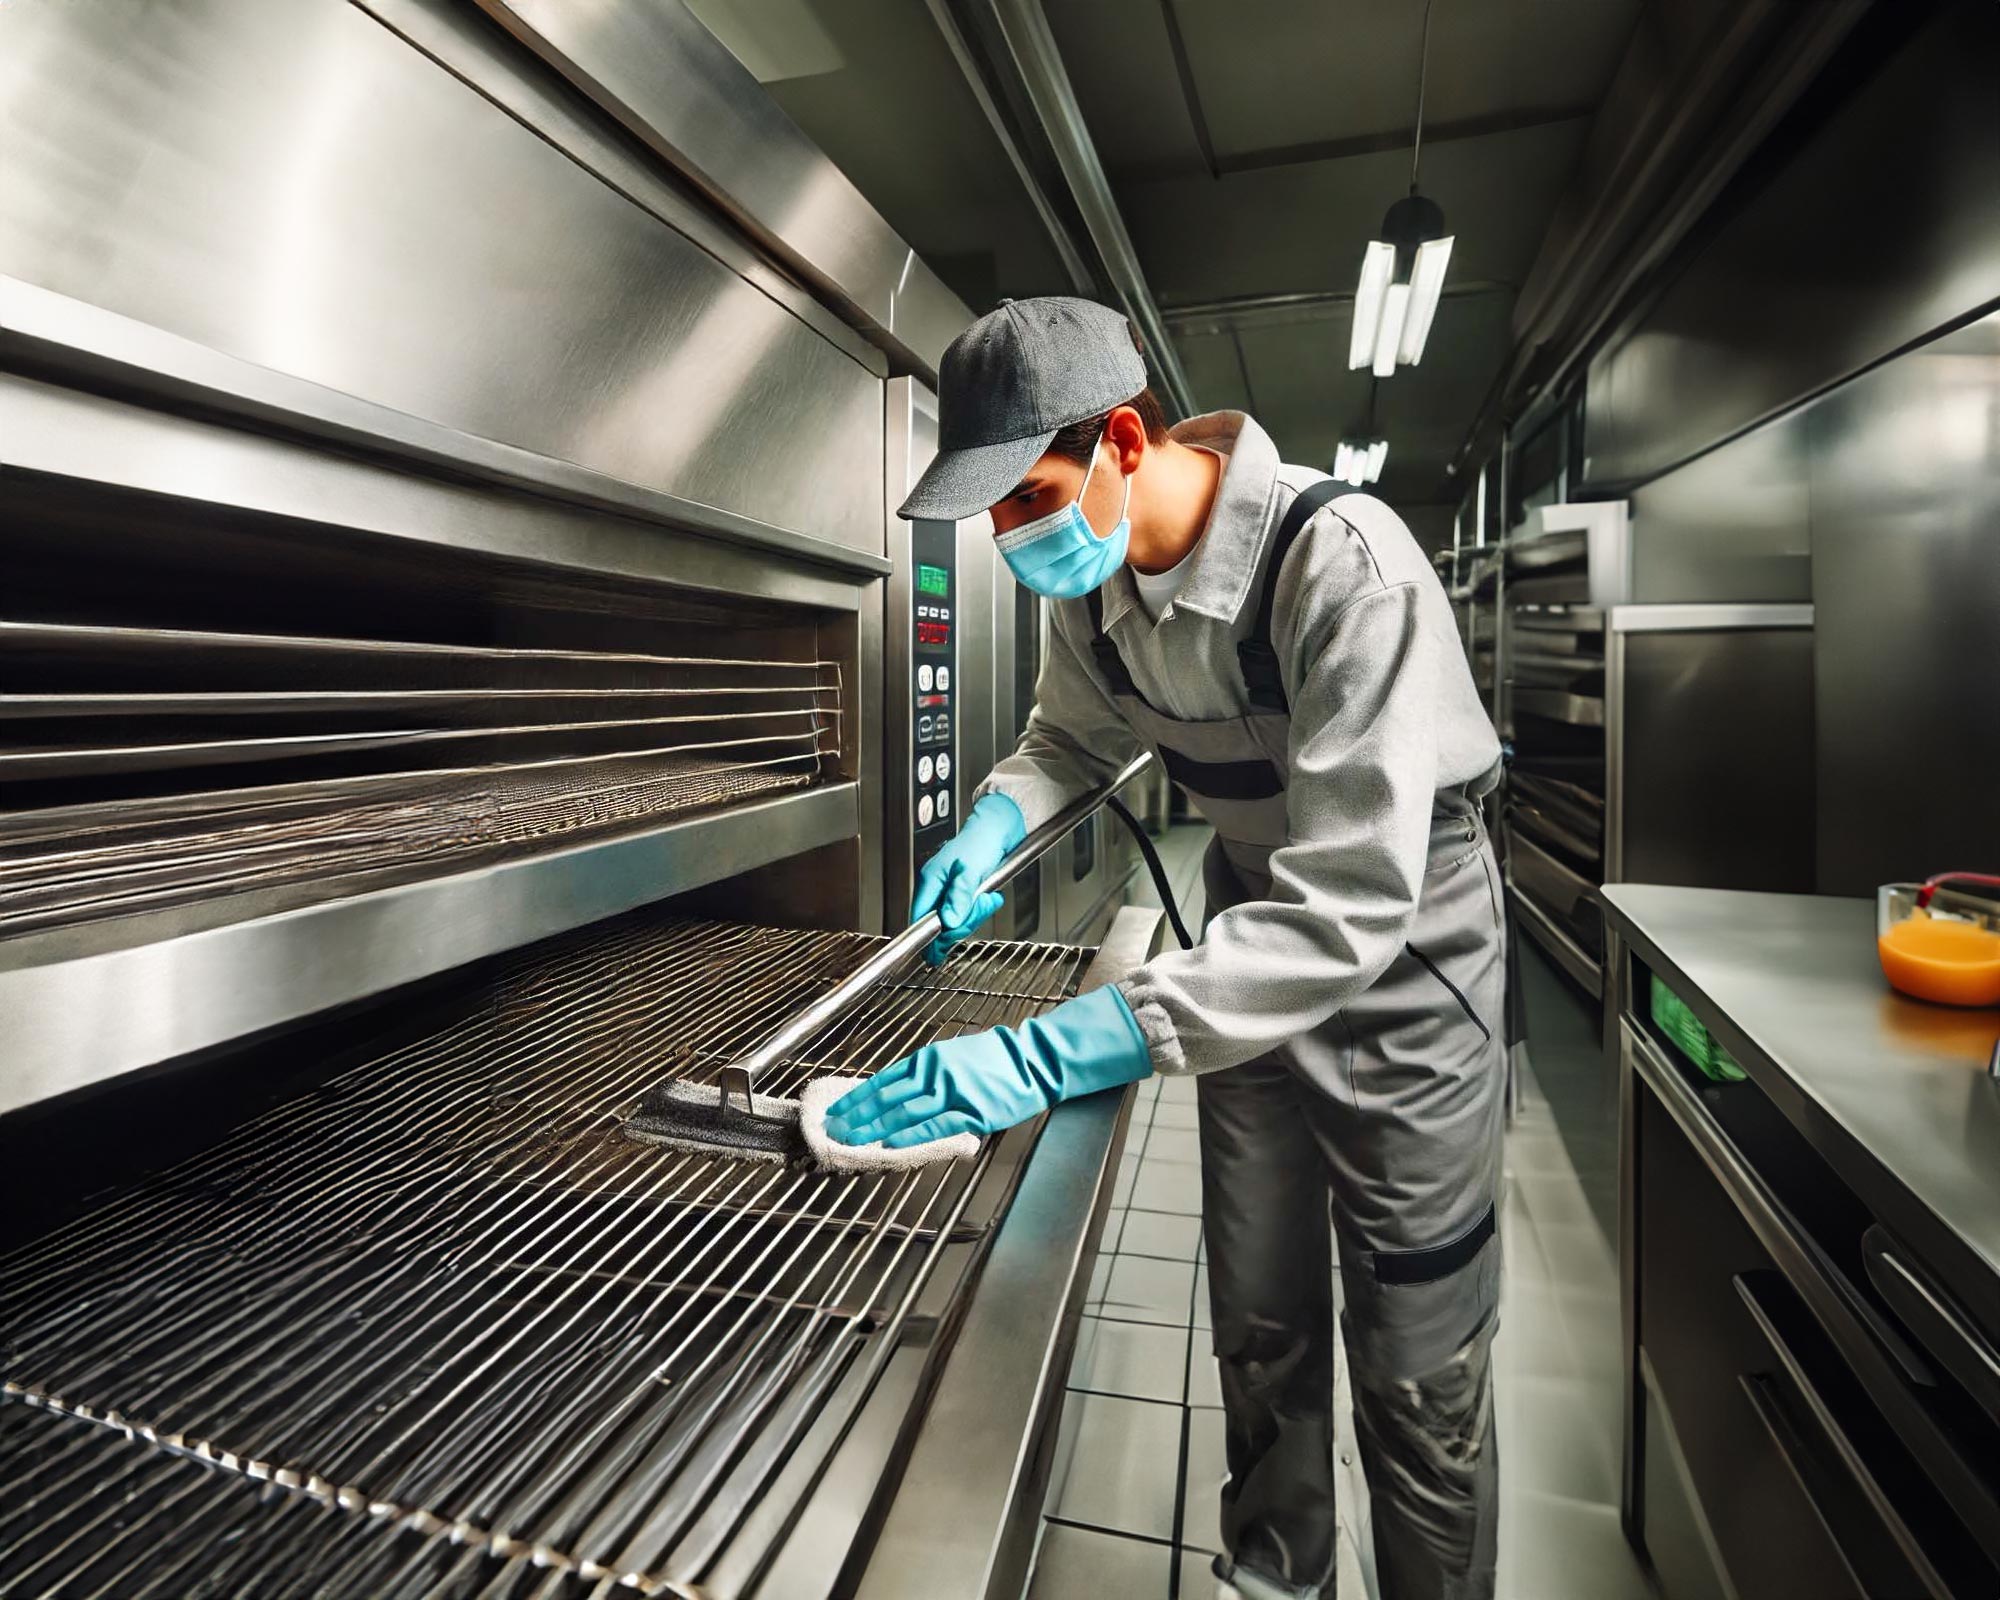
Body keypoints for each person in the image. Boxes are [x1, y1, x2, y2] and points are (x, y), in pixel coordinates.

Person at [827, 296, 1505, 1600]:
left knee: (1419, 1365)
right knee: (1260, 1314)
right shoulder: (1099, 603)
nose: (1016, 537)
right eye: (997, 518)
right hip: (1251, 920)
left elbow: (1356, 903)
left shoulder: (1341, 564)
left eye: (1029, 496)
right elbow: (1069, 745)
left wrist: (1070, 1042)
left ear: (1125, 442)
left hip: (1409, 950)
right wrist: (993, 823)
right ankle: (1276, 1573)